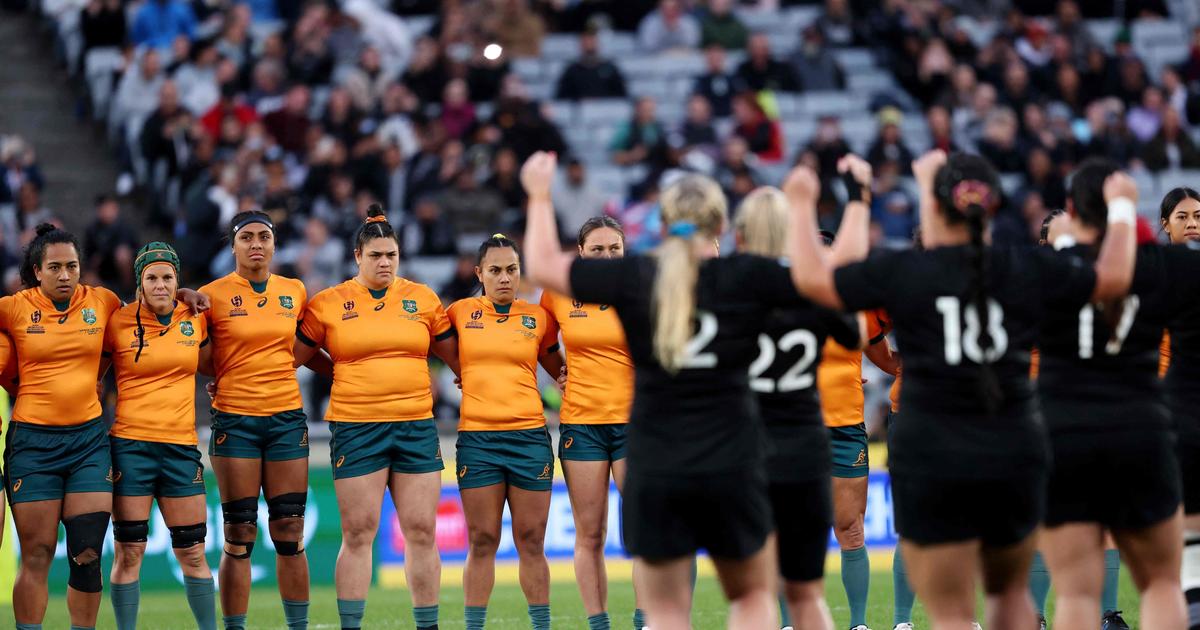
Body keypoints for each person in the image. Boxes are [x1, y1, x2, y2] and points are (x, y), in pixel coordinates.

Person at [783, 149, 1135, 629]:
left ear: (933, 206)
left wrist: (840, 201)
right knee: (1009, 596)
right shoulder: (1025, 266)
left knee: (949, 611)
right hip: (1010, 439)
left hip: (931, 446)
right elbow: (1113, 278)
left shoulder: (904, 271)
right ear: (993, 205)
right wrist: (1121, 207)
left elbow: (815, 281)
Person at [522, 151, 869, 630]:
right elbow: (832, 278)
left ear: (662, 226)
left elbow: (542, 263)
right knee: (752, 598)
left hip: (657, 460)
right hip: (733, 459)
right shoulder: (747, 276)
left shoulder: (638, 275)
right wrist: (843, 201)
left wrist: (540, 192)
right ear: (722, 226)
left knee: (665, 612)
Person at [1038, 158, 1188, 630]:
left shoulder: (1043, 267)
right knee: (1162, 584)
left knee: (1075, 593)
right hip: (1140, 429)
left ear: (1070, 209)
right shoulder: (1161, 266)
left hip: (1065, 434)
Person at [293, 206, 459, 630]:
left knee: (421, 531)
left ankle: (428, 626)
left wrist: (470, 376)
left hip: (415, 426)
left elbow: (456, 355)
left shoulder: (423, 298)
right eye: (376, 255)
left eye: (391, 255)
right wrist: (337, 371)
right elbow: (293, 355)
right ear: (357, 256)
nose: (385, 262)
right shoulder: (328, 303)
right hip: (357, 428)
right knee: (358, 533)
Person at [736, 186, 864, 630]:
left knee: (753, 590)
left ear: (741, 235)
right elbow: (853, 334)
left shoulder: (726, 287)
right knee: (808, 590)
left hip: (749, 445)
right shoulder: (809, 288)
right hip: (804, 444)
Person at [0, 224, 123, 630]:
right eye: (55, 267)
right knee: (37, 553)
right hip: (32, 445)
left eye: (72, 266)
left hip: (88, 442)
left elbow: (150, 312)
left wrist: (186, 295)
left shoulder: (103, 301)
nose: (65, 275)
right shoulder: (15, 307)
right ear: (37, 271)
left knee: (87, 554)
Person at [447, 234, 566, 630]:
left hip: (529, 439)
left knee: (531, 540)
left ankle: (541, 625)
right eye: (495, 270)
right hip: (478, 441)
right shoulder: (459, 313)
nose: (504, 278)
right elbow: (430, 349)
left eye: (512, 270)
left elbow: (560, 369)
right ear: (479, 273)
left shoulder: (538, 318)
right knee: (482, 540)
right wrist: (460, 373)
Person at [200, 210, 311, 630]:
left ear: (275, 244)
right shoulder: (211, 295)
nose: (256, 244)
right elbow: (195, 353)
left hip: (285, 419)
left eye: (264, 237)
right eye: (246, 237)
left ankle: (298, 626)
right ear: (232, 246)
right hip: (236, 421)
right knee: (239, 533)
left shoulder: (294, 290)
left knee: (290, 528)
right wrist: (227, 373)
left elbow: (302, 347)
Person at [103, 242, 216, 630]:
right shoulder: (117, 321)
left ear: (177, 280)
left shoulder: (194, 317)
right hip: (130, 448)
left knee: (194, 553)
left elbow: (211, 364)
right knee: (129, 552)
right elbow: (93, 373)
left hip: (181, 449)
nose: (161, 285)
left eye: (168, 277)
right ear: (140, 283)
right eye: (151, 278)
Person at [539, 217, 637, 630]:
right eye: (597, 249)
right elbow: (543, 345)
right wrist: (560, 374)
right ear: (580, 252)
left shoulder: (642, 287)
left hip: (635, 424)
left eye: (614, 248)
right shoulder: (558, 292)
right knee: (590, 534)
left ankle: (646, 620)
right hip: (582, 424)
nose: (606, 256)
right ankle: (599, 624)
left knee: (643, 530)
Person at [1160, 186, 1200, 627]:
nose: (1192, 224)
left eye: (1199, 216)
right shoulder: (1152, 274)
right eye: (1183, 216)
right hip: (1166, 406)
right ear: (1165, 224)